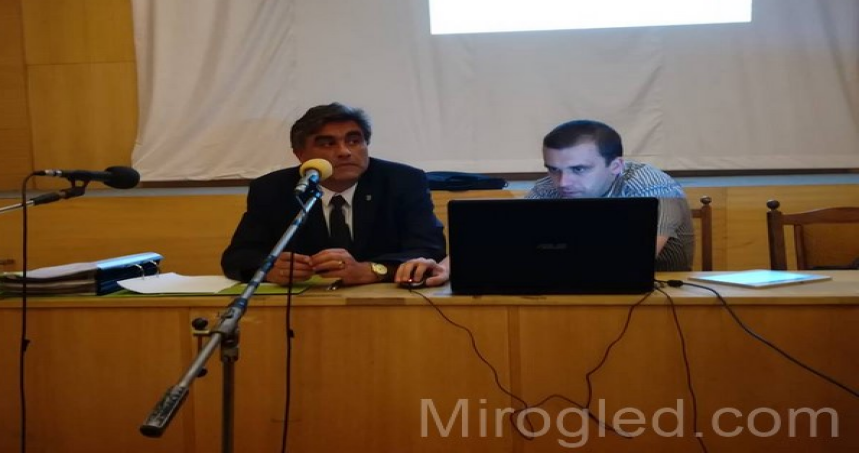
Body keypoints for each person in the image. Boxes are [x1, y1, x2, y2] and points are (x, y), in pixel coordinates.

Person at [396, 119, 694, 286]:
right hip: (574, 292)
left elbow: (631, 259)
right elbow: (500, 238)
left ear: (615, 166)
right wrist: (445, 268)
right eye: (553, 169)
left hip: (659, 298)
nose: (563, 182)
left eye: (579, 169)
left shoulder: (653, 185)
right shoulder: (548, 188)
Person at [221, 102, 446, 286]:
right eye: (328, 144)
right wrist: (270, 270)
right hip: (308, 305)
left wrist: (372, 270)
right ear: (300, 154)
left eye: (354, 141)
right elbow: (238, 257)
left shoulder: (403, 181)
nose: (344, 152)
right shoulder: (273, 189)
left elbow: (430, 248)